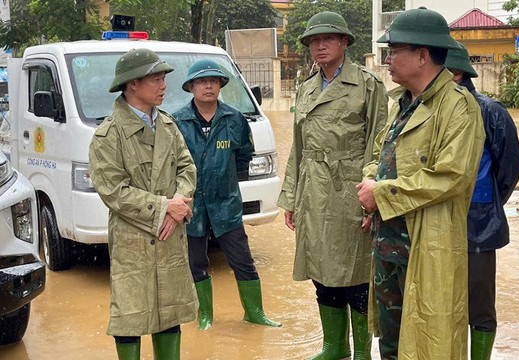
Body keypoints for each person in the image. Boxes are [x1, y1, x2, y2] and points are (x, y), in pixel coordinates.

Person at [356, 7, 486, 360]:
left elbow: (451, 176)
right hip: (387, 248)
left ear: (422, 56)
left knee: (430, 343)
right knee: (392, 343)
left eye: (394, 51)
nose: (387, 60)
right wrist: (370, 180)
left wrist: (380, 194)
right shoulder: (402, 104)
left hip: (425, 247)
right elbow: (379, 155)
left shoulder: (458, 107)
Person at [278, 11, 388, 360]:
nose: (319, 46)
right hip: (313, 193)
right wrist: (291, 197)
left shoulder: (368, 85)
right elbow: (299, 146)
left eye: (327, 39)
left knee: (356, 272)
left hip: (350, 193)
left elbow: (381, 144)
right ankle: (333, 346)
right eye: (313, 41)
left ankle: (361, 352)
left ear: (344, 43)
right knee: (320, 268)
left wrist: (375, 199)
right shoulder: (306, 88)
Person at [89, 48, 198, 360]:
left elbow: (187, 169)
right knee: (131, 315)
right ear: (132, 83)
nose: (164, 85)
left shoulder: (167, 124)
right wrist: (165, 208)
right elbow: (113, 190)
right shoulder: (108, 134)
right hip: (133, 240)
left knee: (169, 314)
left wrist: (178, 207)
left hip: (170, 235)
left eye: (163, 79)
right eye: (156, 79)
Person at [172, 59, 281, 330]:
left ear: (220, 85)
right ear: (191, 87)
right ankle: (205, 316)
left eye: (213, 81)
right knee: (197, 262)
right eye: (201, 81)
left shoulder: (235, 119)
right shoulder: (176, 122)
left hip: (226, 203)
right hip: (191, 205)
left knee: (242, 259)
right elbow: (171, 164)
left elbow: (244, 157)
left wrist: (225, 179)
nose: (208, 85)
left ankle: (255, 313)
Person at [444, 42, 519, 360]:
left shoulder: (490, 111)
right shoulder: (422, 111)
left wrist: (490, 201)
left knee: (478, 304)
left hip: (477, 226)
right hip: (435, 222)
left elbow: (512, 164)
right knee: (439, 302)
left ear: (457, 73)